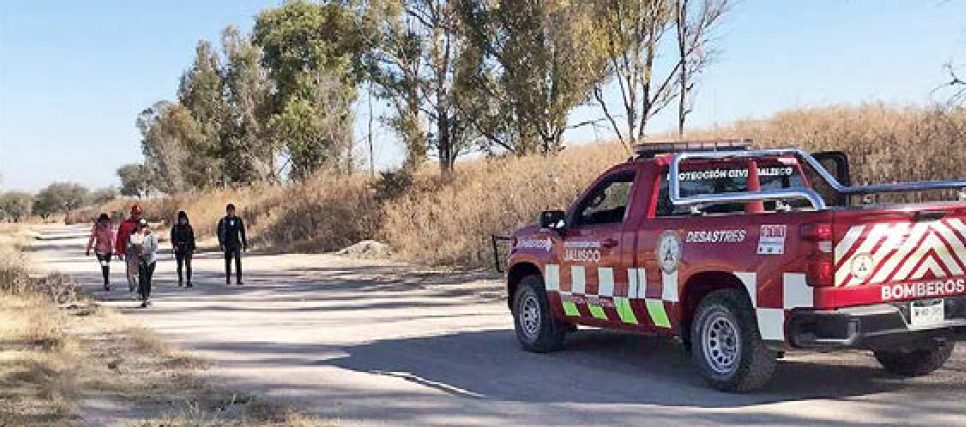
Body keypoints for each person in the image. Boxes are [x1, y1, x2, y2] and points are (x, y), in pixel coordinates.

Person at [129, 219, 158, 308]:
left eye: (144, 226)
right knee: (143, 279)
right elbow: (129, 247)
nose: (142, 228)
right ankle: (144, 299)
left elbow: (155, 247)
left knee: (148, 279)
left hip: (151, 260)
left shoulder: (151, 235)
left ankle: (148, 296)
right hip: (140, 260)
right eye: (140, 226)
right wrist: (135, 254)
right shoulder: (133, 235)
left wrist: (145, 251)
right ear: (137, 226)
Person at [217, 203, 247, 285]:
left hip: (236, 243)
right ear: (227, 211)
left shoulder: (238, 220)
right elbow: (219, 233)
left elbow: (242, 232)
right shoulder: (223, 221)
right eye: (229, 210)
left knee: (238, 262)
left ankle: (239, 279)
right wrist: (221, 243)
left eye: (232, 210)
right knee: (228, 262)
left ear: (234, 211)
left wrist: (244, 243)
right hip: (227, 244)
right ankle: (228, 278)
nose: (230, 212)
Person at [115, 205, 143, 293]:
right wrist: (119, 251)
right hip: (130, 251)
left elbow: (149, 237)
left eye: (139, 213)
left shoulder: (143, 224)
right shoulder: (124, 225)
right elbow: (120, 238)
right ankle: (133, 287)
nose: (137, 215)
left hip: (142, 251)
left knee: (141, 271)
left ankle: (141, 288)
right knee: (131, 271)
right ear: (131, 213)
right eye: (136, 213)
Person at [85, 213, 116, 291]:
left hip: (108, 250)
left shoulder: (110, 226)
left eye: (106, 220)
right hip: (99, 250)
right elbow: (92, 238)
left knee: (106, 265)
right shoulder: (96, 227)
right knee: (104, 264)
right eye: (103, 221)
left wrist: (116, 249)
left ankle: (106, 281)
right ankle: (106, 282)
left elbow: (113, 238)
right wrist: (88, 249)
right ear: (100, 220)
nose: (104, 222)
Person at [170, 211, 196, 287]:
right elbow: (172, 238)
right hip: (179, 248)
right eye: (181, 219)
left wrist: (193, 247)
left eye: (184, 219)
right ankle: (180, 279)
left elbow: (192, 238)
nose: (183, 220)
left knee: (188, 265)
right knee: (180, 265)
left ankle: (188, 280)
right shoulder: (175, 228)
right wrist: (175, 245)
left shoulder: (189, 227)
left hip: (188, 248)